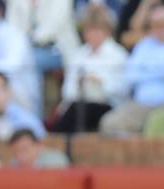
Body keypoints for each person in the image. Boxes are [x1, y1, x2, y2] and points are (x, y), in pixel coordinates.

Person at [99, 3, 164, 134]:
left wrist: (149, 71)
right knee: (109, 123)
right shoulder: (143, 46)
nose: (163, 28)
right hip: (142, 105)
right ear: (151, 26)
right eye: (158, 24)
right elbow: (130, 76)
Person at [50, 3, 127, 133]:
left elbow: (122, 90)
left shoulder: (118, 55)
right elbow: (68, 90)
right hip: (79, 104)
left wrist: (100, 81)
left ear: (107, 31)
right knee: (72, 112)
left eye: (97, 30)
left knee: (77, 113)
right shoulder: (79, 54)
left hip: (108, 105)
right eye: (89, 30)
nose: (93, 35)